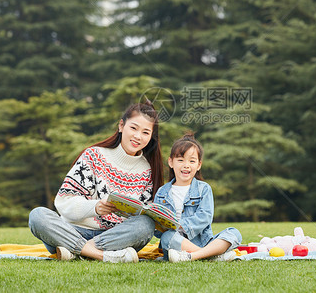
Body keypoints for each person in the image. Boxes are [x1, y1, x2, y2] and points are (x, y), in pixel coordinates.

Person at [28, 101, 164, 263]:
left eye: (145, 132)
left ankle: (76, 251)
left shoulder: (146, 170)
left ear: (150, 137)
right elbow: (63, 203)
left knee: (145, 225)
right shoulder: (94, 156)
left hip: (114, 237)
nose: (138, 136)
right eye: (133, 128)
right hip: (75, 231)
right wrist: (96, 207)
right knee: (38, 216)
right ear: (121, 126)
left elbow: (141, 217)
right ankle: (100, 255)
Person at [154, 132, 242, 262]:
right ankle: (210, 256)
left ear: (199, 165)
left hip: (204, 242)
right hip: (177, 245)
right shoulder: (162, 192)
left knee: (234, 233)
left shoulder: (203, 189)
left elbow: (205, 217)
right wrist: (159, 225)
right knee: (167, 237)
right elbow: (157, 230)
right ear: (171, 162)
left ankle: (195, 256)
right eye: (180, 160)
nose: (186, 165)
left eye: (192, 161)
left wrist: (180, 225)